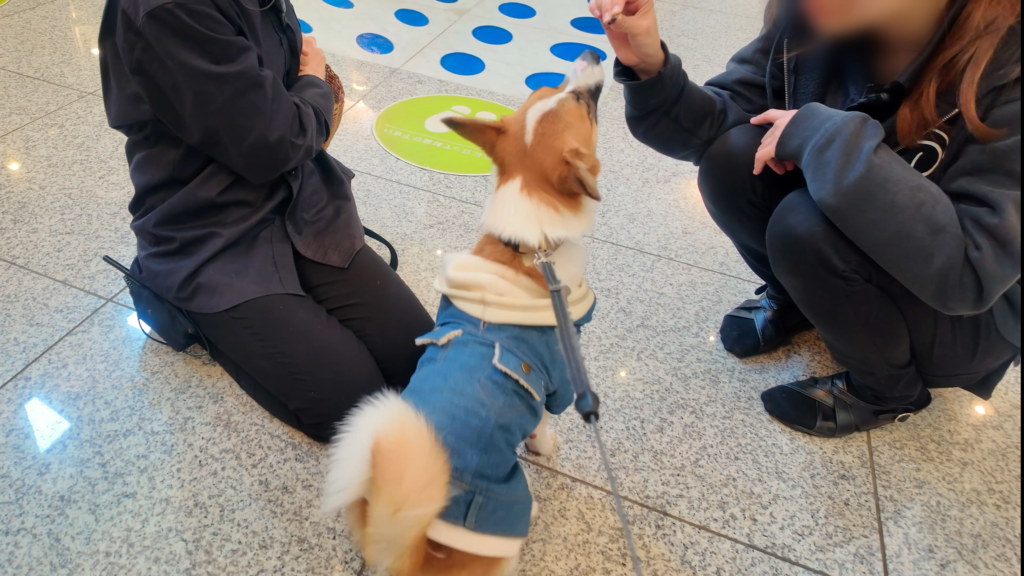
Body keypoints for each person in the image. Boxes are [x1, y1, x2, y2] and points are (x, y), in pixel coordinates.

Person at [590, 0, 1021, 437]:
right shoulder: (815, 16)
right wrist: (650, 68)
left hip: (967, 316)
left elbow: (971, 273)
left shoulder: (1007, 65)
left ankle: (889, 391)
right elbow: (722, 127)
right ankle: (797, 297)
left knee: (806, 224)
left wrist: (822, 135)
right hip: (881, 251)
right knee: (732, 160)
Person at [97, 0, 435, 442]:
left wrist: (298, 98)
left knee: (423, 360)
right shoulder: (167, 10)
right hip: (210, 229)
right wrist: (313, 83)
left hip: (298, 199)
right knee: (356, 410)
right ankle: (191, 306)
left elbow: (279, 105)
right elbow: (276, 138)